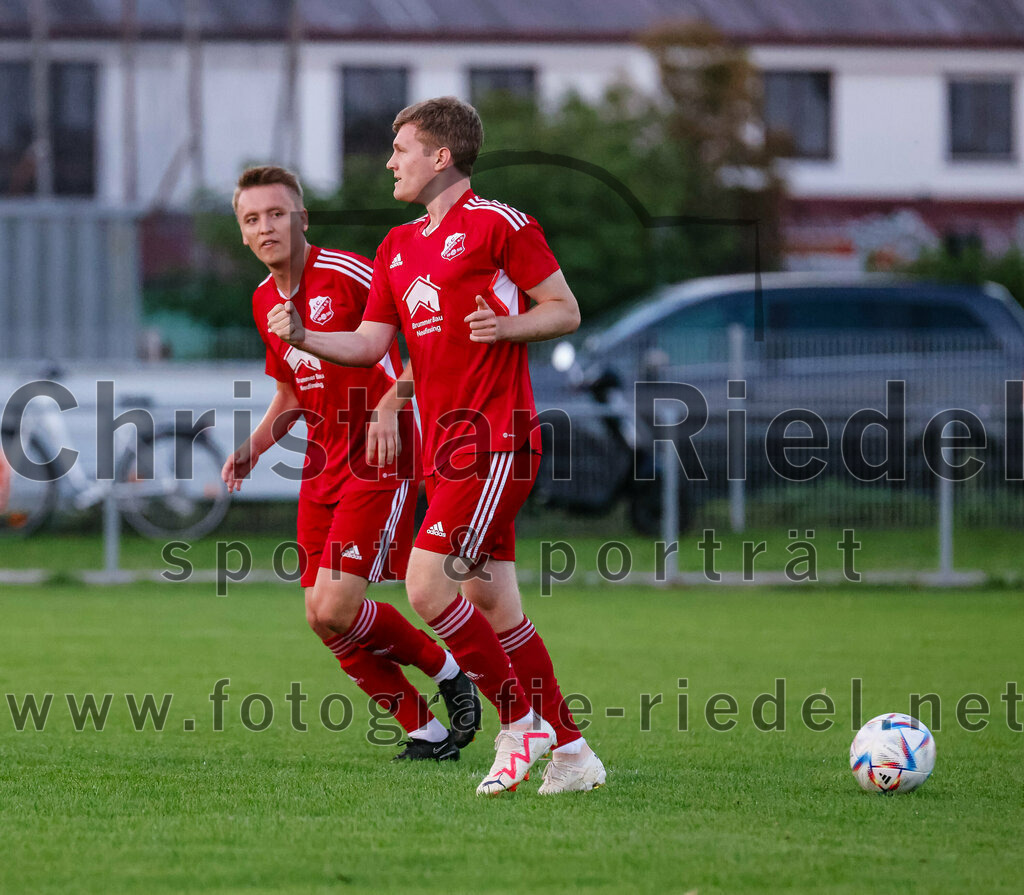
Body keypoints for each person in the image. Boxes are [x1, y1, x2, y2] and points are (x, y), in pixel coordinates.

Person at [268, 98, 605, 795]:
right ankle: (573, 753)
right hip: (445, 451)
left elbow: (564, 308)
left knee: (428, 583)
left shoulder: (499, 225)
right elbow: (368, 345)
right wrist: (302, 336)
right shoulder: (397, 246)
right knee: (495, 604)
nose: (391, 161)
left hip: (496, 439)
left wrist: (507, 327)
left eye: (402, 148)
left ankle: (519, 721)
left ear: (441, 156)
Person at [224, 165, 481, 761]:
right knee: (321, 619)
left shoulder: (346, 274)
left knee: (336, 606)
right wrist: (253, 447)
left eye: (276, 214)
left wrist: (394, 402)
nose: (266, 227)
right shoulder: (265, 300)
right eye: (252, 219)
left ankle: (449, 671)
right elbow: (292, 391)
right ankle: (427, 731)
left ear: (302, 219)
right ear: (242, 233)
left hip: (377, 458)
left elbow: (431, 339)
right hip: (321, 466)